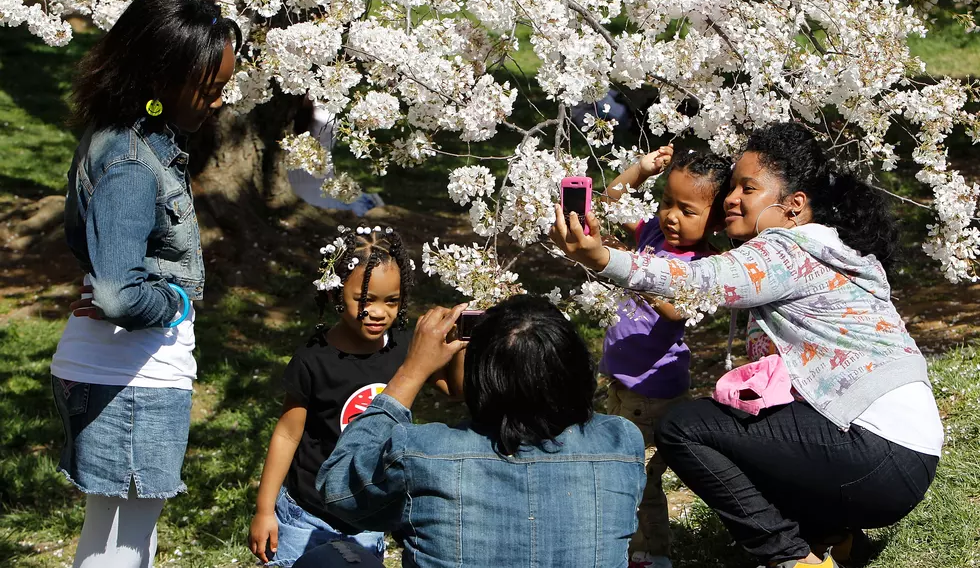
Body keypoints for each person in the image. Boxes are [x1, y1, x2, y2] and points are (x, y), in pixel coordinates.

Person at [552, 123, 943, 568]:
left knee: (684, 427)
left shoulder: (787, 250)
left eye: (748, 188)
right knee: (749, 419)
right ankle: (829, 535)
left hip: (874, 451)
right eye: (732, 187)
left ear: (793, 206)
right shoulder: (826, 248)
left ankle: (792, 558)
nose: (731, 199)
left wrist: (603, 259)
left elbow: (699, 280)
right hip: (900, 459)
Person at [51, 0, 240, 568]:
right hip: (133, 376)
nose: (217, 102)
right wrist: (174, 302)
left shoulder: (129, 140)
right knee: (126, 545)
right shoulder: (133, 161)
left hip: (118, 371)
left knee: (111, 535)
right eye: (208, 89)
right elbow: (117, 292)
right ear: (162, 77)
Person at [313, 295, 647, 568]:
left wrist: (411, 371)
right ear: (575, 371)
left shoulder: (422, 456)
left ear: (481, 380)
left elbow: (337, 488)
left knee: (328, 559)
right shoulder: (620, 443)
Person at [248, 225, 461, 567]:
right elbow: (288, 434)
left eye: (391, 301)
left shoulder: (406, 349)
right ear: (335, 295)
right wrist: (264, 510)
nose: (379, 312)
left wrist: (460, 343)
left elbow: (456, 390)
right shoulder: (313, 359)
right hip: (306, 515)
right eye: (364, 300)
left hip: (367, 515)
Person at [599, 146, 729, 568]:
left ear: (713, 218)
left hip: (652, 389)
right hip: (622, 379)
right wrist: (639, 170)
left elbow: (676, 310)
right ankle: (633, 544)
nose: (671, 215)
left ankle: (652, 553)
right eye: (666, 202)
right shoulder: (653, 236)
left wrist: (634, 272)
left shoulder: (702, 263)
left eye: (686, 210)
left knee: (641, 480)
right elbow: (611, 202)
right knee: (624, 469)